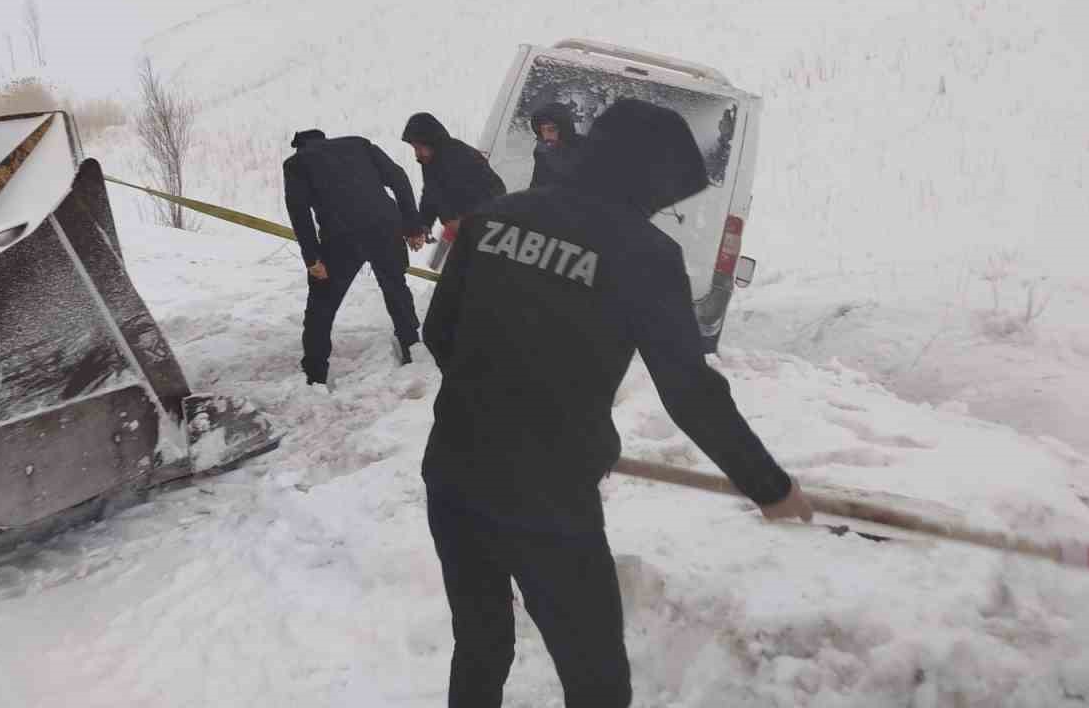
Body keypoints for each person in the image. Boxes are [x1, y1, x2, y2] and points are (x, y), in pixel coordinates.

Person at [421, 99, 812, 707]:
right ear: (648, 175)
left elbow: (439, 333)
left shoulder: (493, 219)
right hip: (545, 496)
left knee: (480, 642)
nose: (665, 206)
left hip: (453, 471)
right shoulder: (645, 255)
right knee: (597, 680)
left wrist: (498, 400)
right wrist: (769, 486)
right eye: (669, 191)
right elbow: (689, 393)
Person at [282, 128, 428, 381]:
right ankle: (412, 348)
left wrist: (311, 258)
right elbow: (399, 178)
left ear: (300, 146)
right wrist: (413, 226)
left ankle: (315, 373)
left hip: (341, 238)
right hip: (386, 227)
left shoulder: (297, 163)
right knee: (396, 289)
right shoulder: (359, 145)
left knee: (322, 305)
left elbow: (299, 212)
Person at [400, 112, 506, 248]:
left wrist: (466, 220)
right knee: (441, 264)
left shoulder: (459, 156)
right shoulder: (430, 162)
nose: (417, 154)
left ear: (431, 141)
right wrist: (424, 224)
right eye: (415, 149)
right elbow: (430, 194)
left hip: (484, 231)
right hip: (457, 231)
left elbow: (496, 189)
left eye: (419, 148)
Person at [528, 100, 585, 190]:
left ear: (563, 129)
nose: (546, 136)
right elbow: (536, 187)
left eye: (551, 129)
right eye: (543, 130)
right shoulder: (542, 152)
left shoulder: (586, 149)